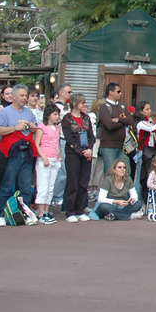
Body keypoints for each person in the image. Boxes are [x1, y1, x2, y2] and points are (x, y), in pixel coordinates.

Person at [0, 84, 38, 225]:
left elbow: (35, 128)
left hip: (27, 152)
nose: (25, 98)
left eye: (26, 96)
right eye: (22, 95)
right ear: (13, 96)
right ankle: (0, 215)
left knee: (25, 187)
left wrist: (32, 127)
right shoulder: (5, 112)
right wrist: (15, 128)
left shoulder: (29, 112)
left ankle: (24, 214)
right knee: (6, 185)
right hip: (12, 154)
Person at [62, 94, 95, 223]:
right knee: (73, 182)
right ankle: (70, 210)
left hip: (87, 152)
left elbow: (91, 136)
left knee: (83, 182)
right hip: (73, 153)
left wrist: (90, 149)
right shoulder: (67, 119)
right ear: (75, 104)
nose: (84, 105)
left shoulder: (86, 118)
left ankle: (80, 209)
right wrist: (81, 151)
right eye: (82, 103)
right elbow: (69, 138)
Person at [33, 104, 63, 225]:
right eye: (55, 114)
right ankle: (40, 213)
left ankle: (46, 211)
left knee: (50, 188)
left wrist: (59, 156)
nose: (57, 117)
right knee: (43, 187)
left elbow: (58, 143)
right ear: (48, 115)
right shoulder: (41, 127)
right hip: (44, 159)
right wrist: (44, 157)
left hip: (55, 160)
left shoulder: (57, 128)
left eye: (58, 114)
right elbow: (36, 144)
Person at [97, 83, 132, 176]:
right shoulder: (104, 107)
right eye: (118, 91)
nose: (120, 93)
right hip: (108, 146)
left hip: (123, 145)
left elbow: (131, 120)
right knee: (110, 172)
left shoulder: (123, 107)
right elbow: (109, 125)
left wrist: (119, 120)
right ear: (111, 92)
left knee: (126, 172)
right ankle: (109, 190)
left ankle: (123, 190)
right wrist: (124, 122)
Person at [50, 82, 72, 213]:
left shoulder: (67, 107)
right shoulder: (57, 107)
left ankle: (61, 195)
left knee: (66, 169)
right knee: (62, 170)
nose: (70, 94)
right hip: (61, 140)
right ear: (61, 93)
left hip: (67, 140)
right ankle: (57, 196)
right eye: (68, 92)